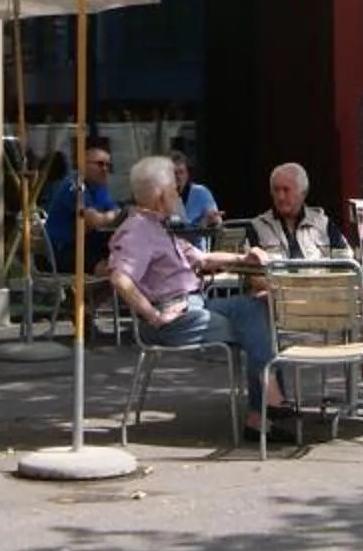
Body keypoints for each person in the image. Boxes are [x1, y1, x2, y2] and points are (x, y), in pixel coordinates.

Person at [103, 153, 277, 436]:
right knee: (254, 324)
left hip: (194, 305)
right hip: (174, 319)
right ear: (161, 195)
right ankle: (266, 411)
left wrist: (247, 258)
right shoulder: (138, 231)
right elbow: (120, 279)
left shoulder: (160, 227)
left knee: (259, 308)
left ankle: (267, 407)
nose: (179, 194)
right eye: (174, 188)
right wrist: (154, 316)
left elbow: (202, 259)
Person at [244, 161, 350, 261]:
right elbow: (251, 272)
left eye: (286, 190)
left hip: (318, 280)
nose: (280, 197)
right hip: (276, 281)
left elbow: (346, 262)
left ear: (303, 192)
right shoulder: (257, 227)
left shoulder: (323, 224)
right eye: (276, 190)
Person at [42, 138, 119, 274]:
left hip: (85, 243)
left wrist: (111, 216)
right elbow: (92, 220)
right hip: (62, 250)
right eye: (100, 164)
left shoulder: (99, 188)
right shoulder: (74, 185)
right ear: (82, 164)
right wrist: (111, 215)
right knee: (109, 266)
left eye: (108, 165)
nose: (105, 169)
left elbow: (114, 212)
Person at [171, 148, 222, 235]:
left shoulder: (201, 192)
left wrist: (210, 220)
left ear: (187, 174)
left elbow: (217, 221)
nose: (178, 177)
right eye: (174, 173)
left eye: (181, 172)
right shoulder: (160, 196)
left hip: (195, 246)